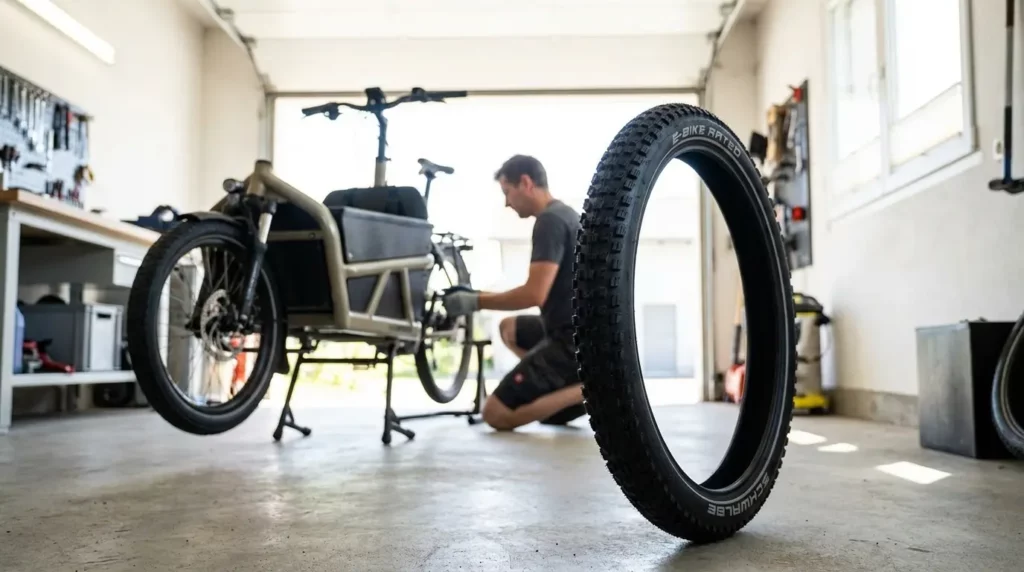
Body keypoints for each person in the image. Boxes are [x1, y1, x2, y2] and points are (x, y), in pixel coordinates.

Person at [441, 154, 586, 431]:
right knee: (509, 328)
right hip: (572, 331)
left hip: (570, 342)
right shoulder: (566, 214)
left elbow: (534, 295)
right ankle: (552, 387)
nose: (507, 202)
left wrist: (475, 301)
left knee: (495, 414)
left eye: (507, 192)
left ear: (526, 183)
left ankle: (588, 389)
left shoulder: (550, 222)